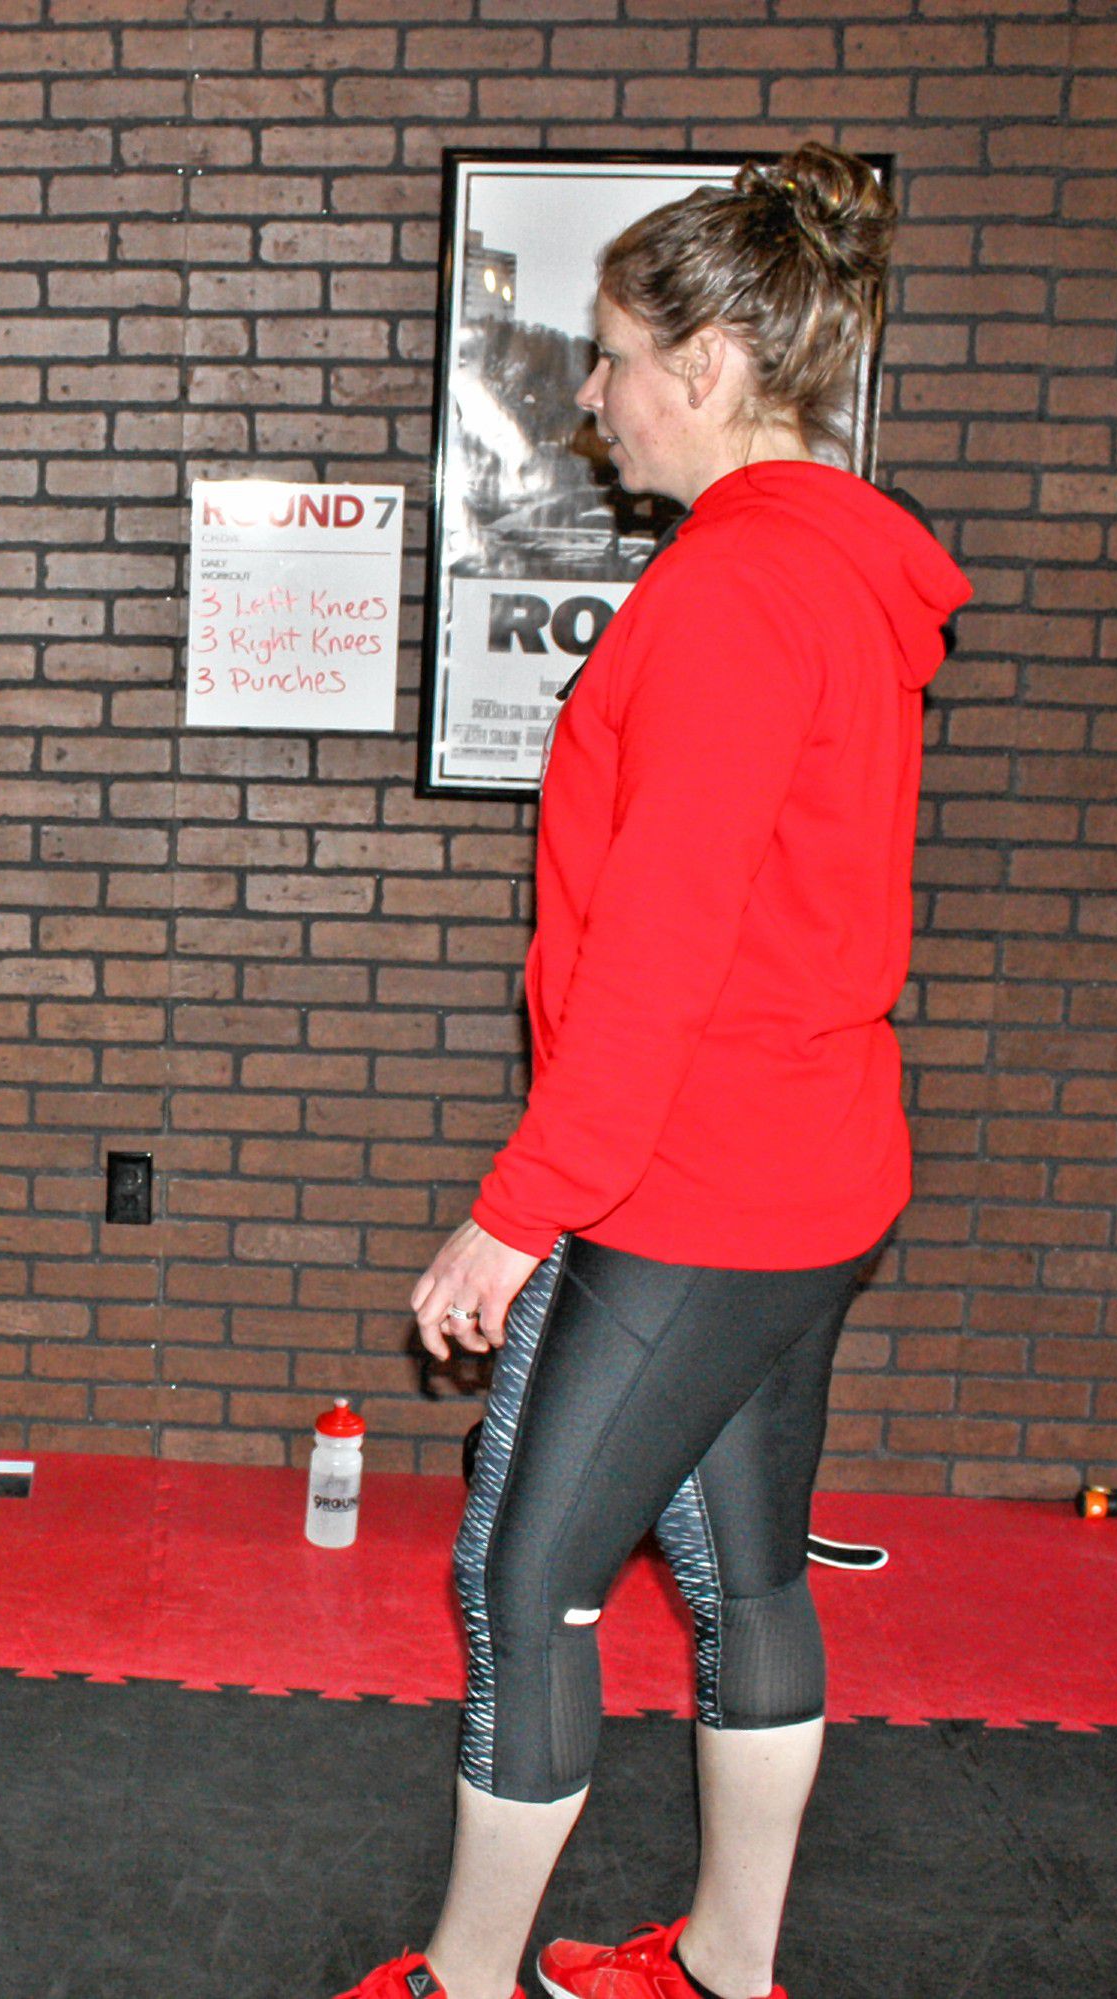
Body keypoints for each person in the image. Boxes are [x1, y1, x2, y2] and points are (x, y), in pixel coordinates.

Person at [334, 147, 971, 1999]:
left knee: (520, 1584)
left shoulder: (730, 597)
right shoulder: (848, 576)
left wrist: (513, 1214)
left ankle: (458, 1981)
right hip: (815, 1170)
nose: (590, 396)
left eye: (611, 356)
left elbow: (661, 957)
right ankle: (722, 1966)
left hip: (688, 1188)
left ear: (707, 364)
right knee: (748, 1575)